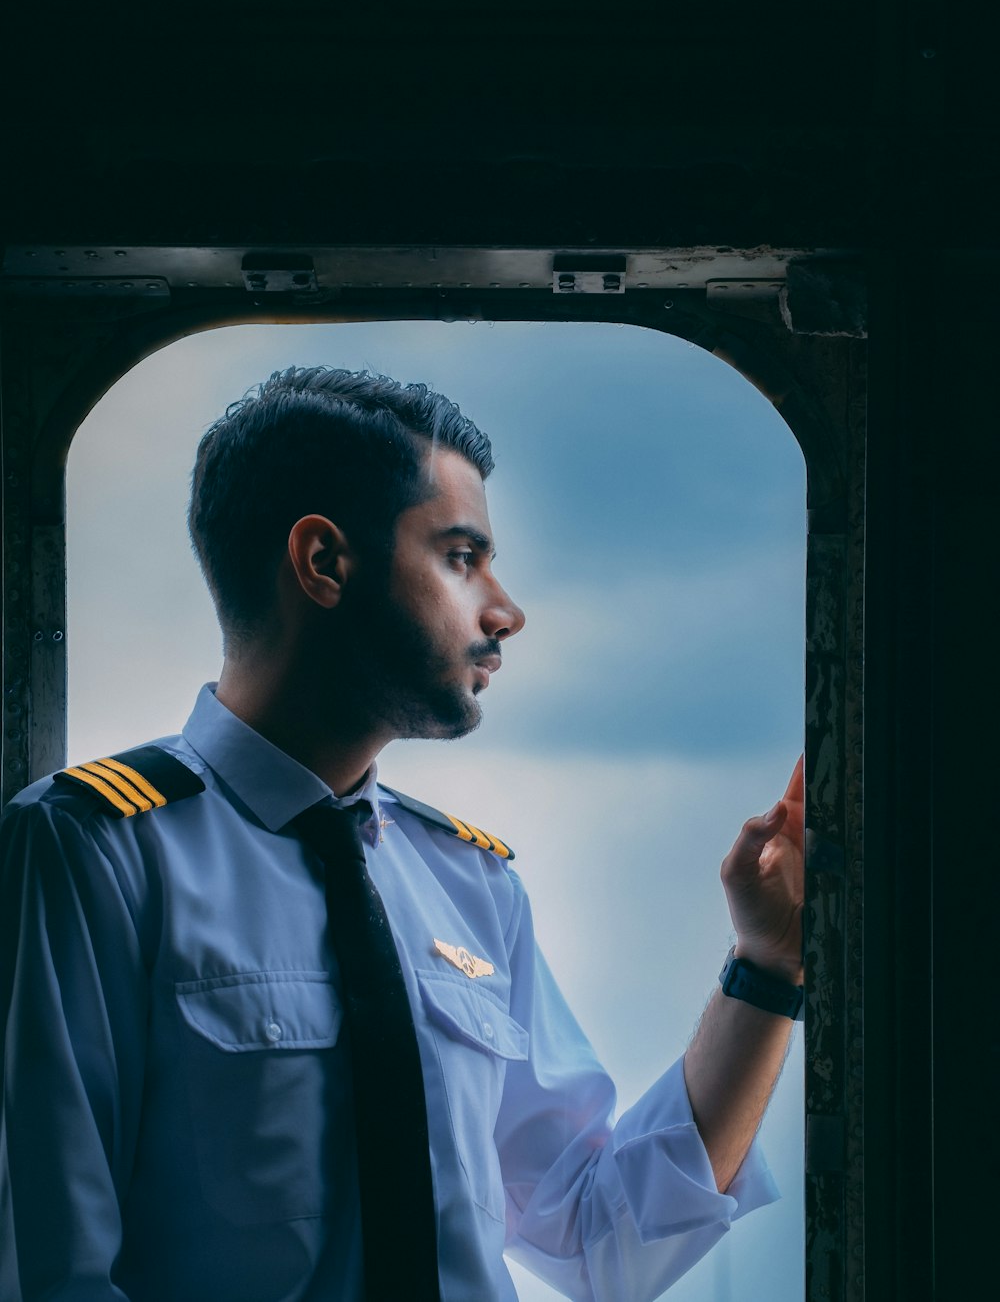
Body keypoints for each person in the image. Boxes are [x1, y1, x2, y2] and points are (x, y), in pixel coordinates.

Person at [0, 366, 805, 1302]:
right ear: (324, 563)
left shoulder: (471, 883)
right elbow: (48, 1275)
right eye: (462, 557)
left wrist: (767, 964)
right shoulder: (91, 853)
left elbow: (598, 1238)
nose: (505, 611)